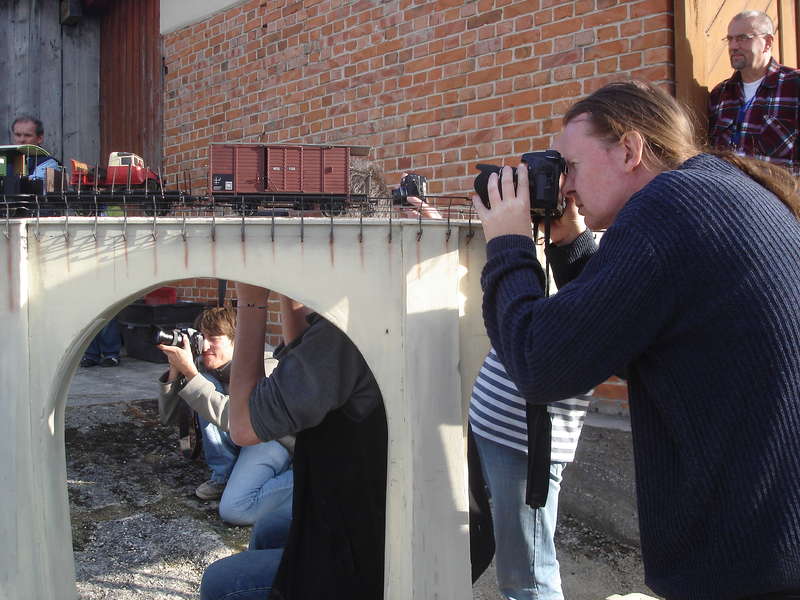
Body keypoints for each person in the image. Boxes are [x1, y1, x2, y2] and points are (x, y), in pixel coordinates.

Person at [472, 80, 800, 599]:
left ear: (629, 149)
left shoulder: (670, 208)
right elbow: (628, 333)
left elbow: (539, 365)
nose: (564, 186)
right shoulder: (714, 189)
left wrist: (508, 244)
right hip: (772, 540)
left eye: (571, 166)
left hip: (746, 561)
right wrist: (571, 244)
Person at [402, 189, 590, 598]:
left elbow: (559, 337)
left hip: (528, 437)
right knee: (492, 549)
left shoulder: (599, 247)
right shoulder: (552, 236)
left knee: (528, 574)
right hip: (489, 418)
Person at [200, 291, 387, 600]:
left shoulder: (345, 334)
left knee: (220, 583)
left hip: (368, 541)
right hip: (358, 503)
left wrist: (251, 301)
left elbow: (244, 428)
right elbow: (303, 352)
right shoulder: (359, 314)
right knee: (269, 528)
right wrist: (289, 293)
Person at [158, 306, 294, 526]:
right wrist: (176, 371)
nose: (206, 346)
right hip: (246, 440)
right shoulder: (209, 370)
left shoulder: (268, 367)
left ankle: (315, 478)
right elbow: (169, 417)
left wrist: (192, 375)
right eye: (202, 338)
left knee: (235, 510)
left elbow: (244, 421)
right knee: (205, 385)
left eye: (214, 338)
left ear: (237, 341)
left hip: (273, 441)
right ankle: (224, 478)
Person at [708, 10, 800, 175]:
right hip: (726, 197)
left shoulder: (794, 85)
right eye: (730, 39)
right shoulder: (719, 95)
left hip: (778, 198)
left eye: (743, 38)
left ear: (767, 42)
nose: (733, 46)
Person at [10, 115, 61, 180]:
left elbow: (31, 186)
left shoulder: (49, 164)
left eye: (27, 135)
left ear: (40, 138)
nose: (21, 140)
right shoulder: (5, 159)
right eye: (18, 135)